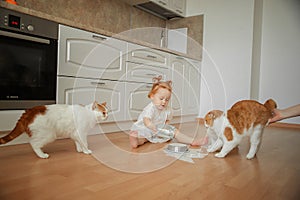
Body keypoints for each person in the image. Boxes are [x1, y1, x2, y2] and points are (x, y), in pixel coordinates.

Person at [129, 76, 207, 148]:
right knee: (144, 138)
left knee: (175, 131)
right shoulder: (151, 108)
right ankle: (135, 141)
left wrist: (165, 126)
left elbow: (167, 120)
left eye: (167, 100)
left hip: (158, 129)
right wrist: (151, 126)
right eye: (161, 98)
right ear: (152, 96)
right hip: (146, 128)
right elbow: (146, 120)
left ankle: (192, 141)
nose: (164, 102)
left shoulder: (167, 109)